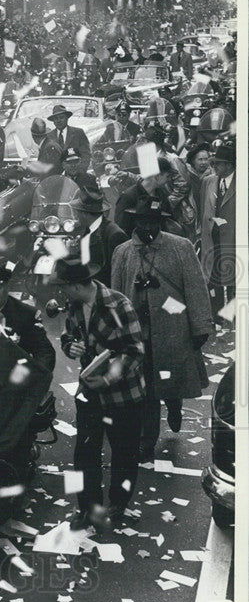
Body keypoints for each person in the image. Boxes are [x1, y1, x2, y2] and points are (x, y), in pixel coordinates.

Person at [111, 194, 211, 462]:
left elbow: (195, 288)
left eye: (154, 222)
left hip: (172, 329)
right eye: (143, 221)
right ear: (135, 221)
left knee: (169, 380)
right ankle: (146, 442)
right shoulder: (122, 252)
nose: (148, 227)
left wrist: (200, 326)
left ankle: (175, 405)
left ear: (162, 222)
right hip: (138, 333)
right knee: (146, 391)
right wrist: (116, 331)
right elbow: (115, 295)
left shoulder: (182, 247)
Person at [53, 258, 145, 530]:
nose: (61, 293)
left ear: (77, 285)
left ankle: (119, 502)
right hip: (90, 391)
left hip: (123, 394)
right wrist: (71, 348)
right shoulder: (74, 306)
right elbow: (67, 337)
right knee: (84, 452)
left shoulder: (119, 304)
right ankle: (87, 507)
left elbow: (135, 350)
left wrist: (107, 378)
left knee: (124, 451)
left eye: (64, 287)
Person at [0, 258, 56, 373]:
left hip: (12, 378)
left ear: (7, 287)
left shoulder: (25, 314)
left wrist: (34, 379)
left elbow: (44, 352)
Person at [200, 141, 236, 316]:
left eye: (218, 163)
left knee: (234, 278)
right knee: (214, 279)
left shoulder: (241, 183)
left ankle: (234, 316)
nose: (213, 167)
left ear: (229, 165)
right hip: (212, 241)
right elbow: (202, 210)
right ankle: (218, 315)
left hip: (233, 241)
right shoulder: (208, 182)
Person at [75, 188, 128, 287]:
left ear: (85, 214)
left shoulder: (114, 235)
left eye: (77, 212)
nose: (76, 216)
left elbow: (118, 274)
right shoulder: (88, 229)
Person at [114, 155, 175, 237]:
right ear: (157, 176)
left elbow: (169, 219)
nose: (169, 180)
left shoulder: (162, 195)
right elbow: (121, 229)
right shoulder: (128, 197)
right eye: (167, 176)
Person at [46, 103, 92, 172]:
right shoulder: (49, 136)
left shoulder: (78, 133)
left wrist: (80, 172)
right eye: (56, 118)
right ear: (53, 121)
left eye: (61, 117)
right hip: (56, 177)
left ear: (67, 118)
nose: (59, 121)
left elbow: (86, 155)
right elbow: (46, 160)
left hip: (76, 174)